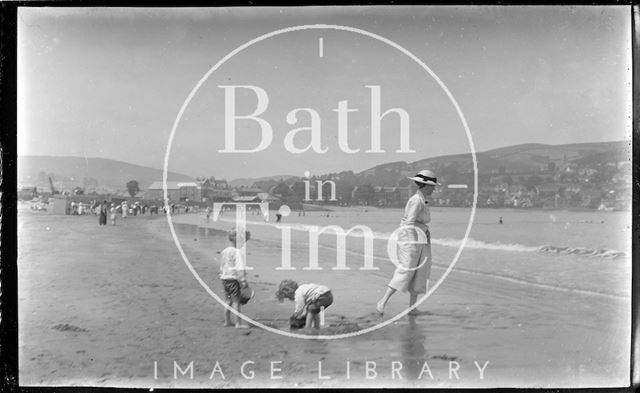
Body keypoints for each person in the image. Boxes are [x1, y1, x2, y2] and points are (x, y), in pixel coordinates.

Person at [376, 169, 439, 316]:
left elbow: (418, 222)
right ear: (426, 185)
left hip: (420, 238)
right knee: (406, 269)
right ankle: (382, 301)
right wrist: (414, 242)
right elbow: (409, 223)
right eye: (432, 186)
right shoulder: (416, 201)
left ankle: (412, 307)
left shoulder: (422, 200)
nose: (434, 189)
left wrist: (424, 234)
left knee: (421, 271)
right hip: (411, 239)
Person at [219, 230, 251, 329]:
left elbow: (222, 265)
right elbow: (240, 269)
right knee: (236, 302)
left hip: (224, 279)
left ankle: (227, 321)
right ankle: (238, 323)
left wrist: (222, 274)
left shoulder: (224, 251)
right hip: (233, 280)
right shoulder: (237, 252)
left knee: (228, 301)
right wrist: (243, 281)